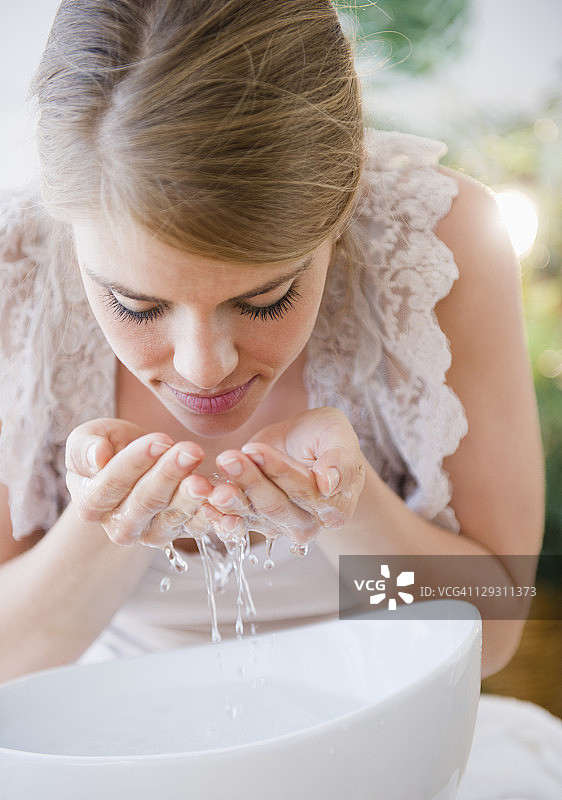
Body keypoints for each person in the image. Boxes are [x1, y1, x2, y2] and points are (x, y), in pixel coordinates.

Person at [0, 0, 544, 683]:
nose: (205, 367)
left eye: (265, 299)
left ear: (342, 214)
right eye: (135, 305)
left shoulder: (442, 242)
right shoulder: (10, 277)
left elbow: (489, 640)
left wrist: (349, 508)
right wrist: (108, 521)